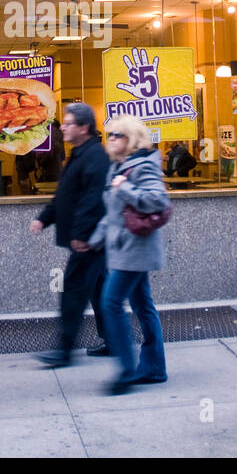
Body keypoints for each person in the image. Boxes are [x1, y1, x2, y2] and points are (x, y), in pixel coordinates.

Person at [88, 115, 170, 394]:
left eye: (118, 135)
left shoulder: (142, 166)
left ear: (132, 139)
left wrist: (126, 188)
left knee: (110, 302)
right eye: (110, 135)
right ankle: (154, 368)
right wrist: (95, 240)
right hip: (123, 249)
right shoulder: (118, 168)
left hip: (135, 250)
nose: (111, 139)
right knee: (143, 306)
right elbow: (113, 214)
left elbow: (158, 200)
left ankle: (125, 370)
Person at [30, 102, 111, 366]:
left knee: (73, 294)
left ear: (84, 127)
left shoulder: (95, 156)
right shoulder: (80, 153)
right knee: (99, 291)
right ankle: (112, 340)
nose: (62, 126)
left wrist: (81, 235)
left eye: (68, 123)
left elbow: (93, 200)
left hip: (87, 242)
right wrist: (44, 219)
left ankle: (64, 351)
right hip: (86, 239)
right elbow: (65, 194)